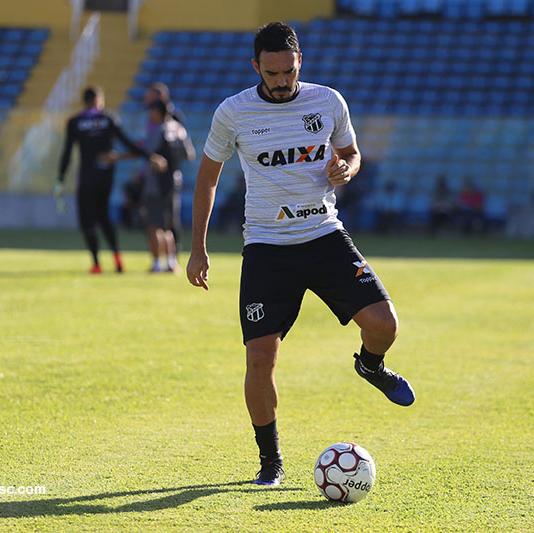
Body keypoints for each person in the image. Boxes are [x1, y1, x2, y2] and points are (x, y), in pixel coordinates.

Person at [186, 22, 414, 487]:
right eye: (272, 73)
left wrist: (344, 169)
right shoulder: (233, 113)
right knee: (259, 359)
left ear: (299, 63)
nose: (282, 81)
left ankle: (370, 366)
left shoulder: (328, 101)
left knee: (385, 324)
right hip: (268, 248)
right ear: (256, 67)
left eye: (289, 71)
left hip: (325, 236)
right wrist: (197, 249)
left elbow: (352, 154)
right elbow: (207, 177)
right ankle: (270, 462)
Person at [55, 86, 164, 273]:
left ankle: (97, 263)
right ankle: (117, 259)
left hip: (87, 178)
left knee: (87, 221)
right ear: (99, 100)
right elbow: (127, 141)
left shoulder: (75, 121)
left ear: (85, 101)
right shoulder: (108, 118)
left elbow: (67, 152)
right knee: (104, 217)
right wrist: (149, 156)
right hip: (105, 178)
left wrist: (60, 178)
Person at [140, 99, 195, 272]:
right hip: (174, 182)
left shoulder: (158, 131)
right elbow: (189, 154)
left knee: (154, 225)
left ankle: (157, 263)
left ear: (157, 112)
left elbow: (146, 152)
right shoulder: (179, 129)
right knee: (168, 225)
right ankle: (171, 262)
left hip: (156, 183)